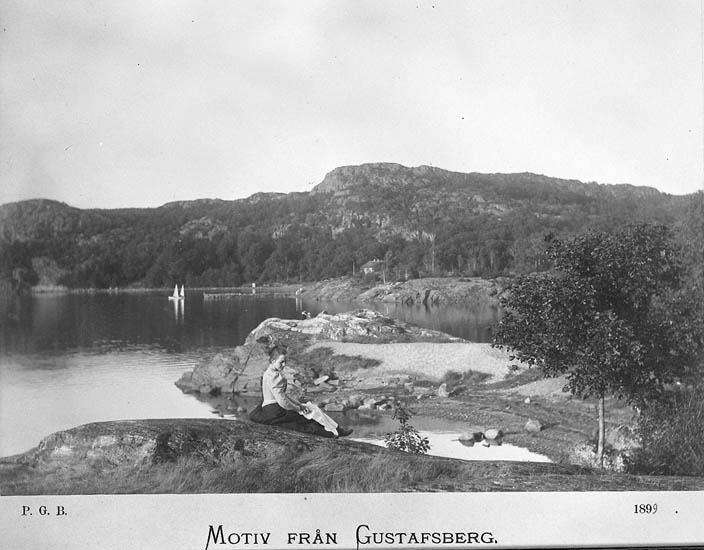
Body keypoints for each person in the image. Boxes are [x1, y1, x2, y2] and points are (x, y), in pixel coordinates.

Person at [249, 348, 353, 438]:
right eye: (281, 362)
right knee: (311, 413)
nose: (284, 365)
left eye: (285, 362)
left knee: (310, 408)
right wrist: (298, 408)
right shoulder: (275, 377)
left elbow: (283, 396)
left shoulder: (268, 373)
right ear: (273, 361)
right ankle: (333, 432)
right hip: (276, 411)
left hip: (269, 408)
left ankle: (337, 429)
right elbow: (282, 402)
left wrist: (299, 405)